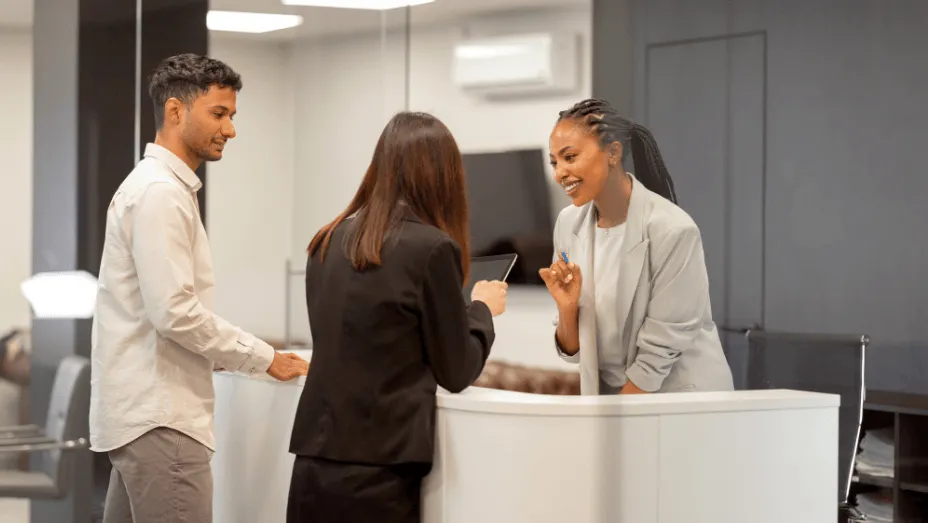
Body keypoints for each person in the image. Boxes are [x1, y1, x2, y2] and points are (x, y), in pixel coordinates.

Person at [90, 53, 309, 523]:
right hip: (162, 423)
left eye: (231, 115)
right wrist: (264, 358)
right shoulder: (160, 194)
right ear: (175, 112)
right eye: (219, 113)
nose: (230, 129)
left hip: (143, 421)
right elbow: (175, 313)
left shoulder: (155, 188)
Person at [286, 112, 508, 523]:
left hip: (314, 458)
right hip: (380, 468)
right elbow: (456, 370)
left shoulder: (327, 240)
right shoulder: (432, 249)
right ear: (445, 176)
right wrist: (481, 310)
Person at [540, 98, 733, 395]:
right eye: (555, 162)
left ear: (613, 153)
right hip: (620, 400)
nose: (560, 173)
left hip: (680, 397)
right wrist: (567, 310)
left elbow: (658, 356)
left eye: (570, 157)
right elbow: (574, 352)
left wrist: (614, 426)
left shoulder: (672, 230)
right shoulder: (568, 224)